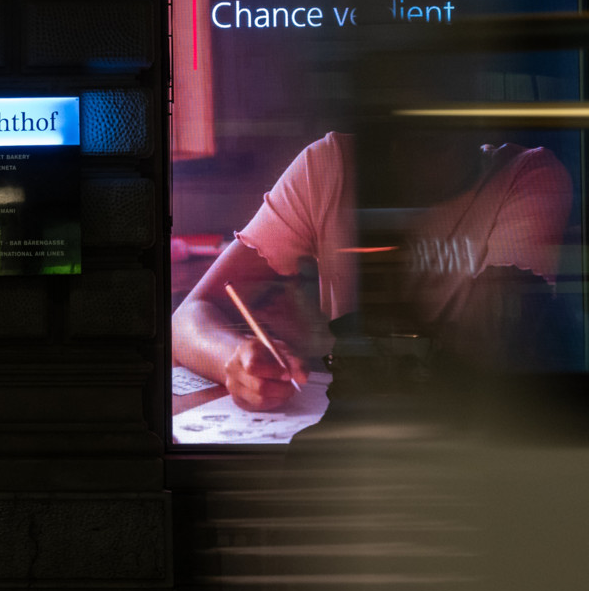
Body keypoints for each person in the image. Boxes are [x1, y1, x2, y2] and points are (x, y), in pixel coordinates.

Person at [172, 131, 571, 411]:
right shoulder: (329, 165)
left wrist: (313, 335)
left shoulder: (526, 177)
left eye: (432, 142)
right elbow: (187, 318)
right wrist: (235, 360)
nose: (404, 157)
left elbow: (497, 345)